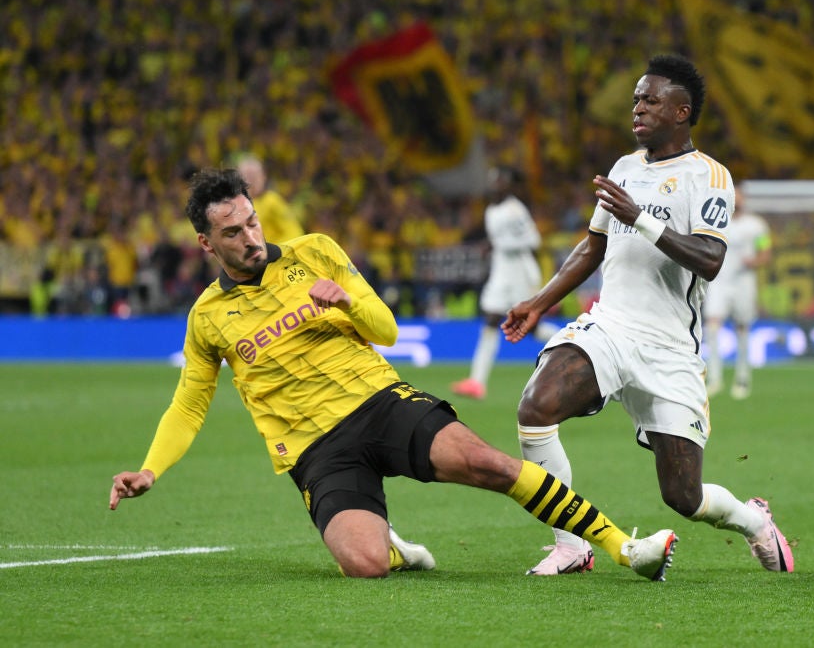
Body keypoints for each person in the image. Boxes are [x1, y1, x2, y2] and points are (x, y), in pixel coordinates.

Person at [108, 167, 678, 580]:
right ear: (207, 243)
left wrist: (344, 303)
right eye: (233, 233)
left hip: (380, 402)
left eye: (252, 222)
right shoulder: (207, 317)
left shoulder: (314, 251)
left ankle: (625, 547)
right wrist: (150, 469)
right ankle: (396, 548)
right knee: (365, 565)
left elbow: (385, 329)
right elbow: (189, 404)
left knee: (489, 464)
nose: (251, 238)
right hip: (314, 449)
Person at [502, 54, 794, 576]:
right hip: (610, 327)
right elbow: (592, 247)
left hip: (669, 350)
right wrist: (539, 301)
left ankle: (754, 522)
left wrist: (641, 220)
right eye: (636, 98)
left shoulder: (709, 177)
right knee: (537, 406)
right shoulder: (624, 168)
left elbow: (710, 260)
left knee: (683, 497)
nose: (637, 108)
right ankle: (571, 545)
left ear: (681, 112)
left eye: (650, 100)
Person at [451, 166, 560, 400]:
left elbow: (533, 240)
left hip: (519, 272)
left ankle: (572, 342)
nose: (494, 184)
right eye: (492, 180)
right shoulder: (491, 210)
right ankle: (476, 382)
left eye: (499, 181)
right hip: (501, 271)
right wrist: (490, 246)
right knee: (490, 318)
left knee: (532, 328)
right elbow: (498, 239)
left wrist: (500, 244)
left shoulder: (515, 210)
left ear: (508, 185)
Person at [703, 179, 772, 399]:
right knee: (712, 327)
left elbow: (765, 252)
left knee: (742, 328)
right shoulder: (716, 223)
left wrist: (755, 261)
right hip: (719, 281)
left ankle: (742, 378)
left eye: (739, 195)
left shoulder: (756, 225)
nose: (737, 199)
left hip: (744, 282)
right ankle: (714, 378)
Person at [236, 154, 305, 243]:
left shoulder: (271, 200)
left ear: (263, 177)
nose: (251, 181)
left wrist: (277, 250)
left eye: (254, 176)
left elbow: (294, 231)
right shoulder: (236, 205)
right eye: (247, 176)